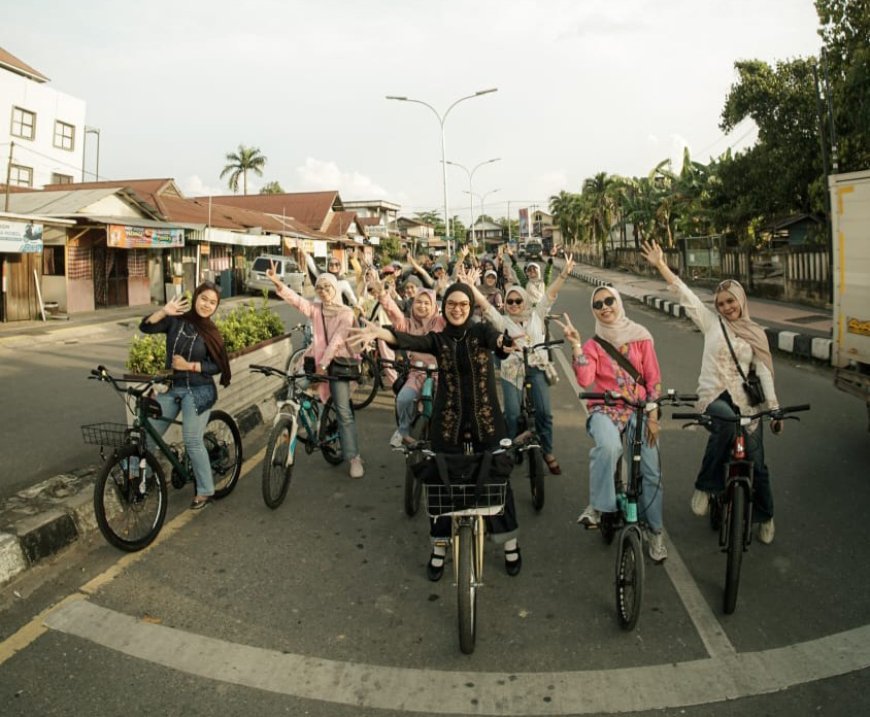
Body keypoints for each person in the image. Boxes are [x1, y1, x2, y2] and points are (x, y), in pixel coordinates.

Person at [348, 281, 522, 580]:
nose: (457, 309)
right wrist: (382, 333)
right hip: (448, 423)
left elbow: (497, 342)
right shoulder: (438, 340)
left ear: (469, 308)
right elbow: (407, 341)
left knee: (498, 475)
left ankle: (510, 545)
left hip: (488, 421)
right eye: (451, 304)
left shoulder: (481, 332)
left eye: (463, 305)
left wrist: (503, 344)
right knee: (441, 481)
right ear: (445, 308)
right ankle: (439, 547)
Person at [640, 239, 782, 544]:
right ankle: (706, 486)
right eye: (721, 304)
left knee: (759, 465)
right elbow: (686, 296)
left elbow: (764, 373)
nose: (726, 307)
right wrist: (661, 265)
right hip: (715, 397)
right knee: (725, 427)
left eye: (730, 301)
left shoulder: (756, 333)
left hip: (748, 405)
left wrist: (774, 408)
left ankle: (765, 516)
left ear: (741, 300)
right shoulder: (711, 324)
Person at [555, 288, 667, 560]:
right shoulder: (594, 344)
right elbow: (584, 380)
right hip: (605, 410)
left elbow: (652, 379)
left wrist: (652, 417)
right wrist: (576, 345)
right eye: (598, 304)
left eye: (609, 301)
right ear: (594, 310)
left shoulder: (640, 336)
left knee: (650, 472)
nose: (604, 307)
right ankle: (598, 506)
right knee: (607, 447)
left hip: (639, 410)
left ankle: (655, 531)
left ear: (618, 303)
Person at [467, 257, 574, 475]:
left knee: (544, 413)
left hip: (536, 368)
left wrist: (563, 275)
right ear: (505, 304)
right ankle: (511, 448)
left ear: (525, 301)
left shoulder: (537, 315)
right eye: (510, 302)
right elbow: (485, 306)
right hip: (511, 371)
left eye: (518, 301)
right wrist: (469, 286)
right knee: (512, 414)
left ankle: (547, 451)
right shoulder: (502, 321)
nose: (514, 305)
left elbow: (550, 295)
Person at [266, 263, 366, 479]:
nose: (323, 292)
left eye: (327, 287)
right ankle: (305, 425)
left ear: (336, 289)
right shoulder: (316, 309)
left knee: (343, 412)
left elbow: (338, 340)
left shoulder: (346, 312)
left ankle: (354, 457)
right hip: (316, 362)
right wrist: (278, 283)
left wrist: (324, 364)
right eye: (319, 288)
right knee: (294, 391)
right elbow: (297, 301)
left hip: (337, 365)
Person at [139, 282, 232, 509]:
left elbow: (217, 366)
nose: (206, 305)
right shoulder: (177, 321)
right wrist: (163, 311)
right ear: (196, 297)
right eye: (204, 299)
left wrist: (189, 366)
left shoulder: (210, 331)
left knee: (192, 440)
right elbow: (146, 328)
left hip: (199, 390)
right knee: (147, 433)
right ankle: (140, 478)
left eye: (212, 302)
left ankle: (205, 490)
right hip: (172, 388)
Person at [368, 272, 446, 448]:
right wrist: (382, 295)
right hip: (416, 374)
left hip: (441, 374)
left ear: (434, 305)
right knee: (403, 399)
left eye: (427, 303)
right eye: (419, 302)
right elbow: (395, 315)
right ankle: (403, 430)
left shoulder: (441, 322)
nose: (423, 306)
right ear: (413, 303)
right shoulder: (408, 324)